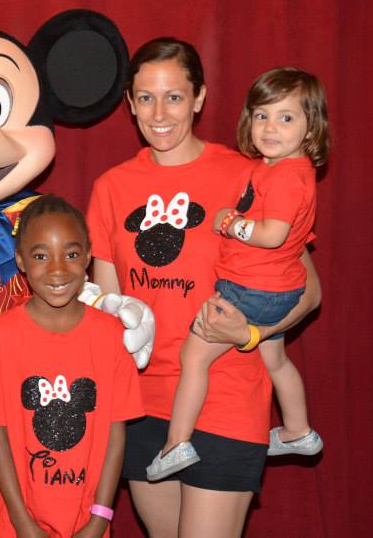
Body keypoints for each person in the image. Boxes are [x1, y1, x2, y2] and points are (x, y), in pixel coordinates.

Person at [86, 38, 321, 538]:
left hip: (227, 393)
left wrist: (251, 333)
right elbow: (110, 306)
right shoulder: (110, 187)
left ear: (199, 98)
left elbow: (308, 292)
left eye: (174, 96)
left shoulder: (248, 174)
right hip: (141, 403)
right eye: (145, 97)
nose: (159, 112)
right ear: (129, 103)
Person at [147, 67, 329, 481]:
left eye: (286, 118)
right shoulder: (284, 169)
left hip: (250, 290)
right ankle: (299, 430)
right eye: (262, 115)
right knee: (276, 359)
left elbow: (272, 234)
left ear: (311, 126)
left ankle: (176, 444)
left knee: (193, 357)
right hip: (279, 288)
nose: (270, 127)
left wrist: (228, 223)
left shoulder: (285, 176)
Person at [0, 195, 144, 538]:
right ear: (20, 260)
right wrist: (22, 522)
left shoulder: (112, 336)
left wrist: (100, 517)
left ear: (87, 255)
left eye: (70, 254)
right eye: (41, 256)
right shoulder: (1, 338)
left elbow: (116, 433)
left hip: (89, 520)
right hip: (21, 523)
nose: (57, 269)